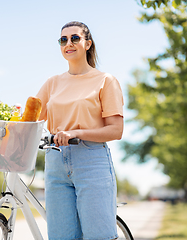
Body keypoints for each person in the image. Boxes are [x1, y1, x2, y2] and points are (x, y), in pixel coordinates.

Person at [35, 21, 123, 240]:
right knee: (61, 236)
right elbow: (26, 119)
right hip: (55, 162)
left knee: (98, 236)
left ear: (88, 44)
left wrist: (76, 133)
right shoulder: (52, 83)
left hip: (91, 161)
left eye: (75, 38)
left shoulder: (105, 81)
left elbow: (116, 130)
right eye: (63, 40)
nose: (68, 44)